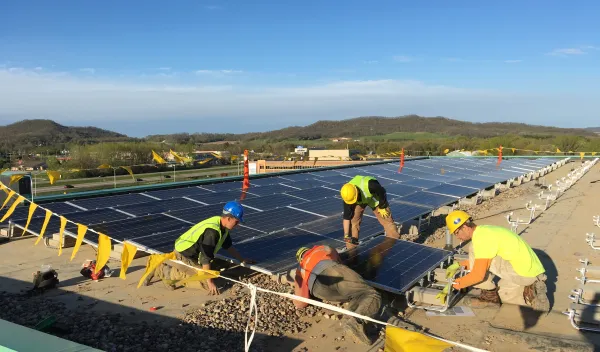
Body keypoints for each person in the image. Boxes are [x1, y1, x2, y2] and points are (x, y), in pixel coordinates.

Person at [445, 210, 549, 311]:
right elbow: (482, 260)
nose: (457, 237)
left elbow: (478, 274)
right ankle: (531, 292)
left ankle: (488, 299)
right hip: (532, 272)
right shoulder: (485, 230)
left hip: (523, 274)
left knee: (473, 249)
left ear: (465, 227)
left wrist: (453, 285)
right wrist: (459, 265)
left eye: (457, 232)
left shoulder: (481, 240)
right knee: (502, 294)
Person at [147, 201, 254, 295]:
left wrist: (241, 260)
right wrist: (210, 282)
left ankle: (173, 272)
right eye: (236, 222)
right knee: (206, 284)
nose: (238, 224)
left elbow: (228, 246)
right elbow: (205, 259)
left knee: (216, 270)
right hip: (185, 254)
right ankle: (163, 271)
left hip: (195, 254)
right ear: (229, 218)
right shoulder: (212, 232)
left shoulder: (222, 225)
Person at [292, 245, 381, 345]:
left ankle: (348, 320)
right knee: (371, 294)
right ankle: (356, 322)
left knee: (355, 295)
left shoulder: (300, 269)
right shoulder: (320, 248)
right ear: (309, 250)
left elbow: (300, 303)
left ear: (300, 259)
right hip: (331, 270)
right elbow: (339, 261)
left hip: (318, 291)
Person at [340, 176, 399, 248]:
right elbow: (346, 218)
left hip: (374, 198)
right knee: (353, 224)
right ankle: (352, 252)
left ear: (357, 191)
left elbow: (382, 191)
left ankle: (393, 245)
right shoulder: (348, 196)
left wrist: (382, 206)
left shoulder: (371, 185)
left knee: (387, 221)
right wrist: (346, 235)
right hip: (359, 201)